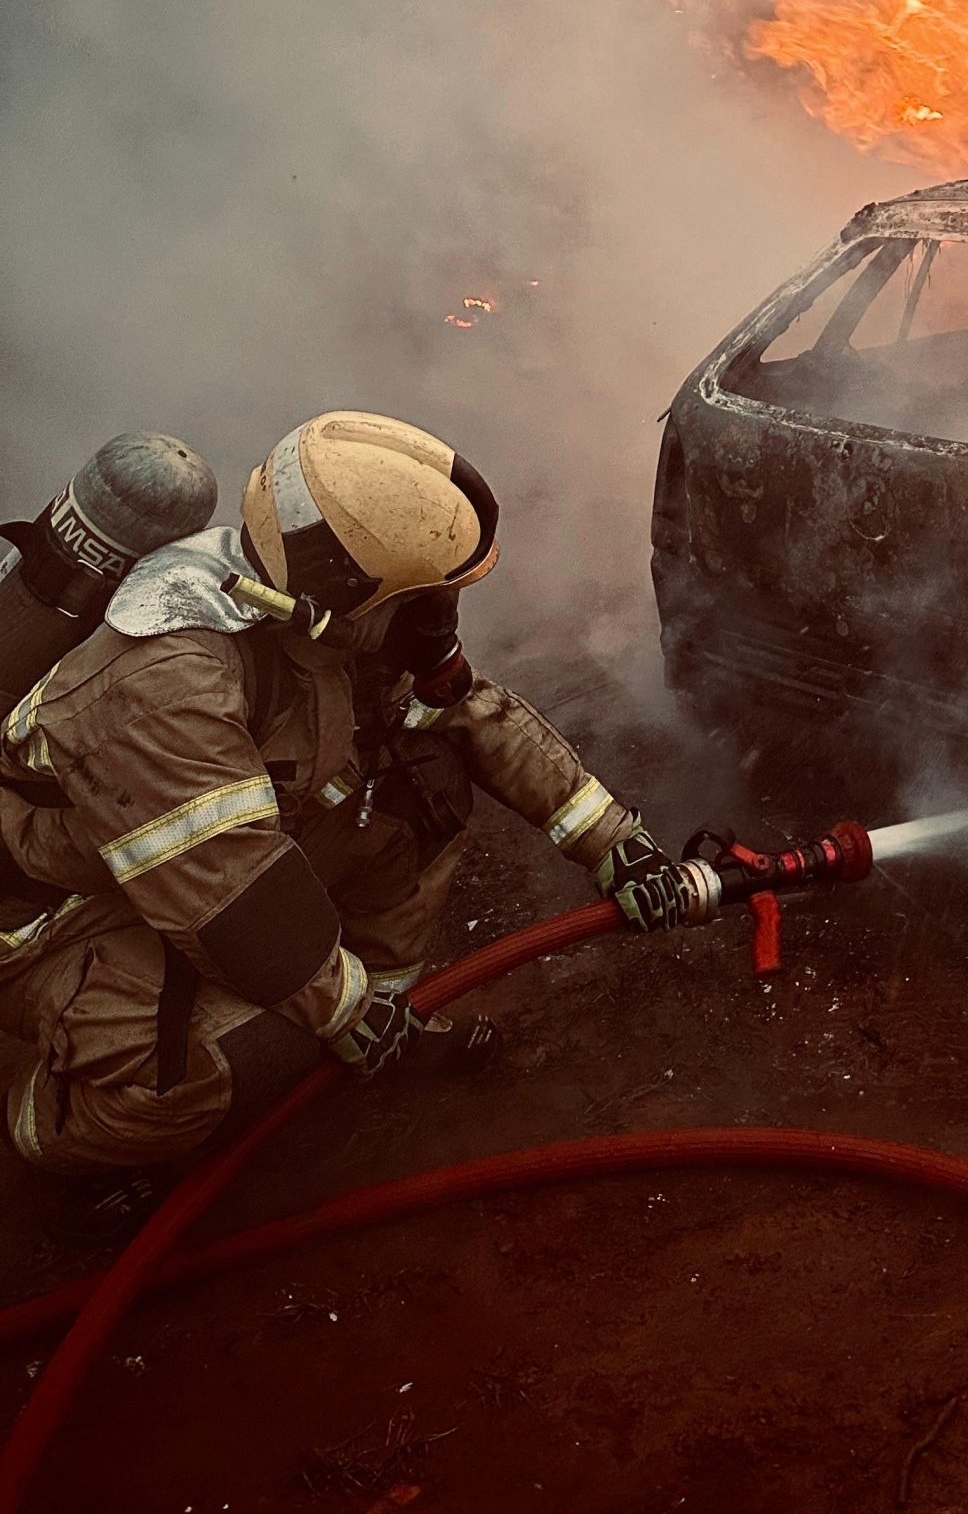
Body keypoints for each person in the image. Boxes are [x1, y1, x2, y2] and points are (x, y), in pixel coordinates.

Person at [0, 411, 685, 1175]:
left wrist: (617, 846)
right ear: (343, 589)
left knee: (418, 783)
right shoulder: (162, 684)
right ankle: (54, 1136)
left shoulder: (319, 623)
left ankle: (372, 1020)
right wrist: (340, 1008)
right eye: (422, 600)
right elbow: (227, 893)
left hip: (184, 872)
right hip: (53, 922)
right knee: (209, 1067)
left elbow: (469, 712)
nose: (439, 623)